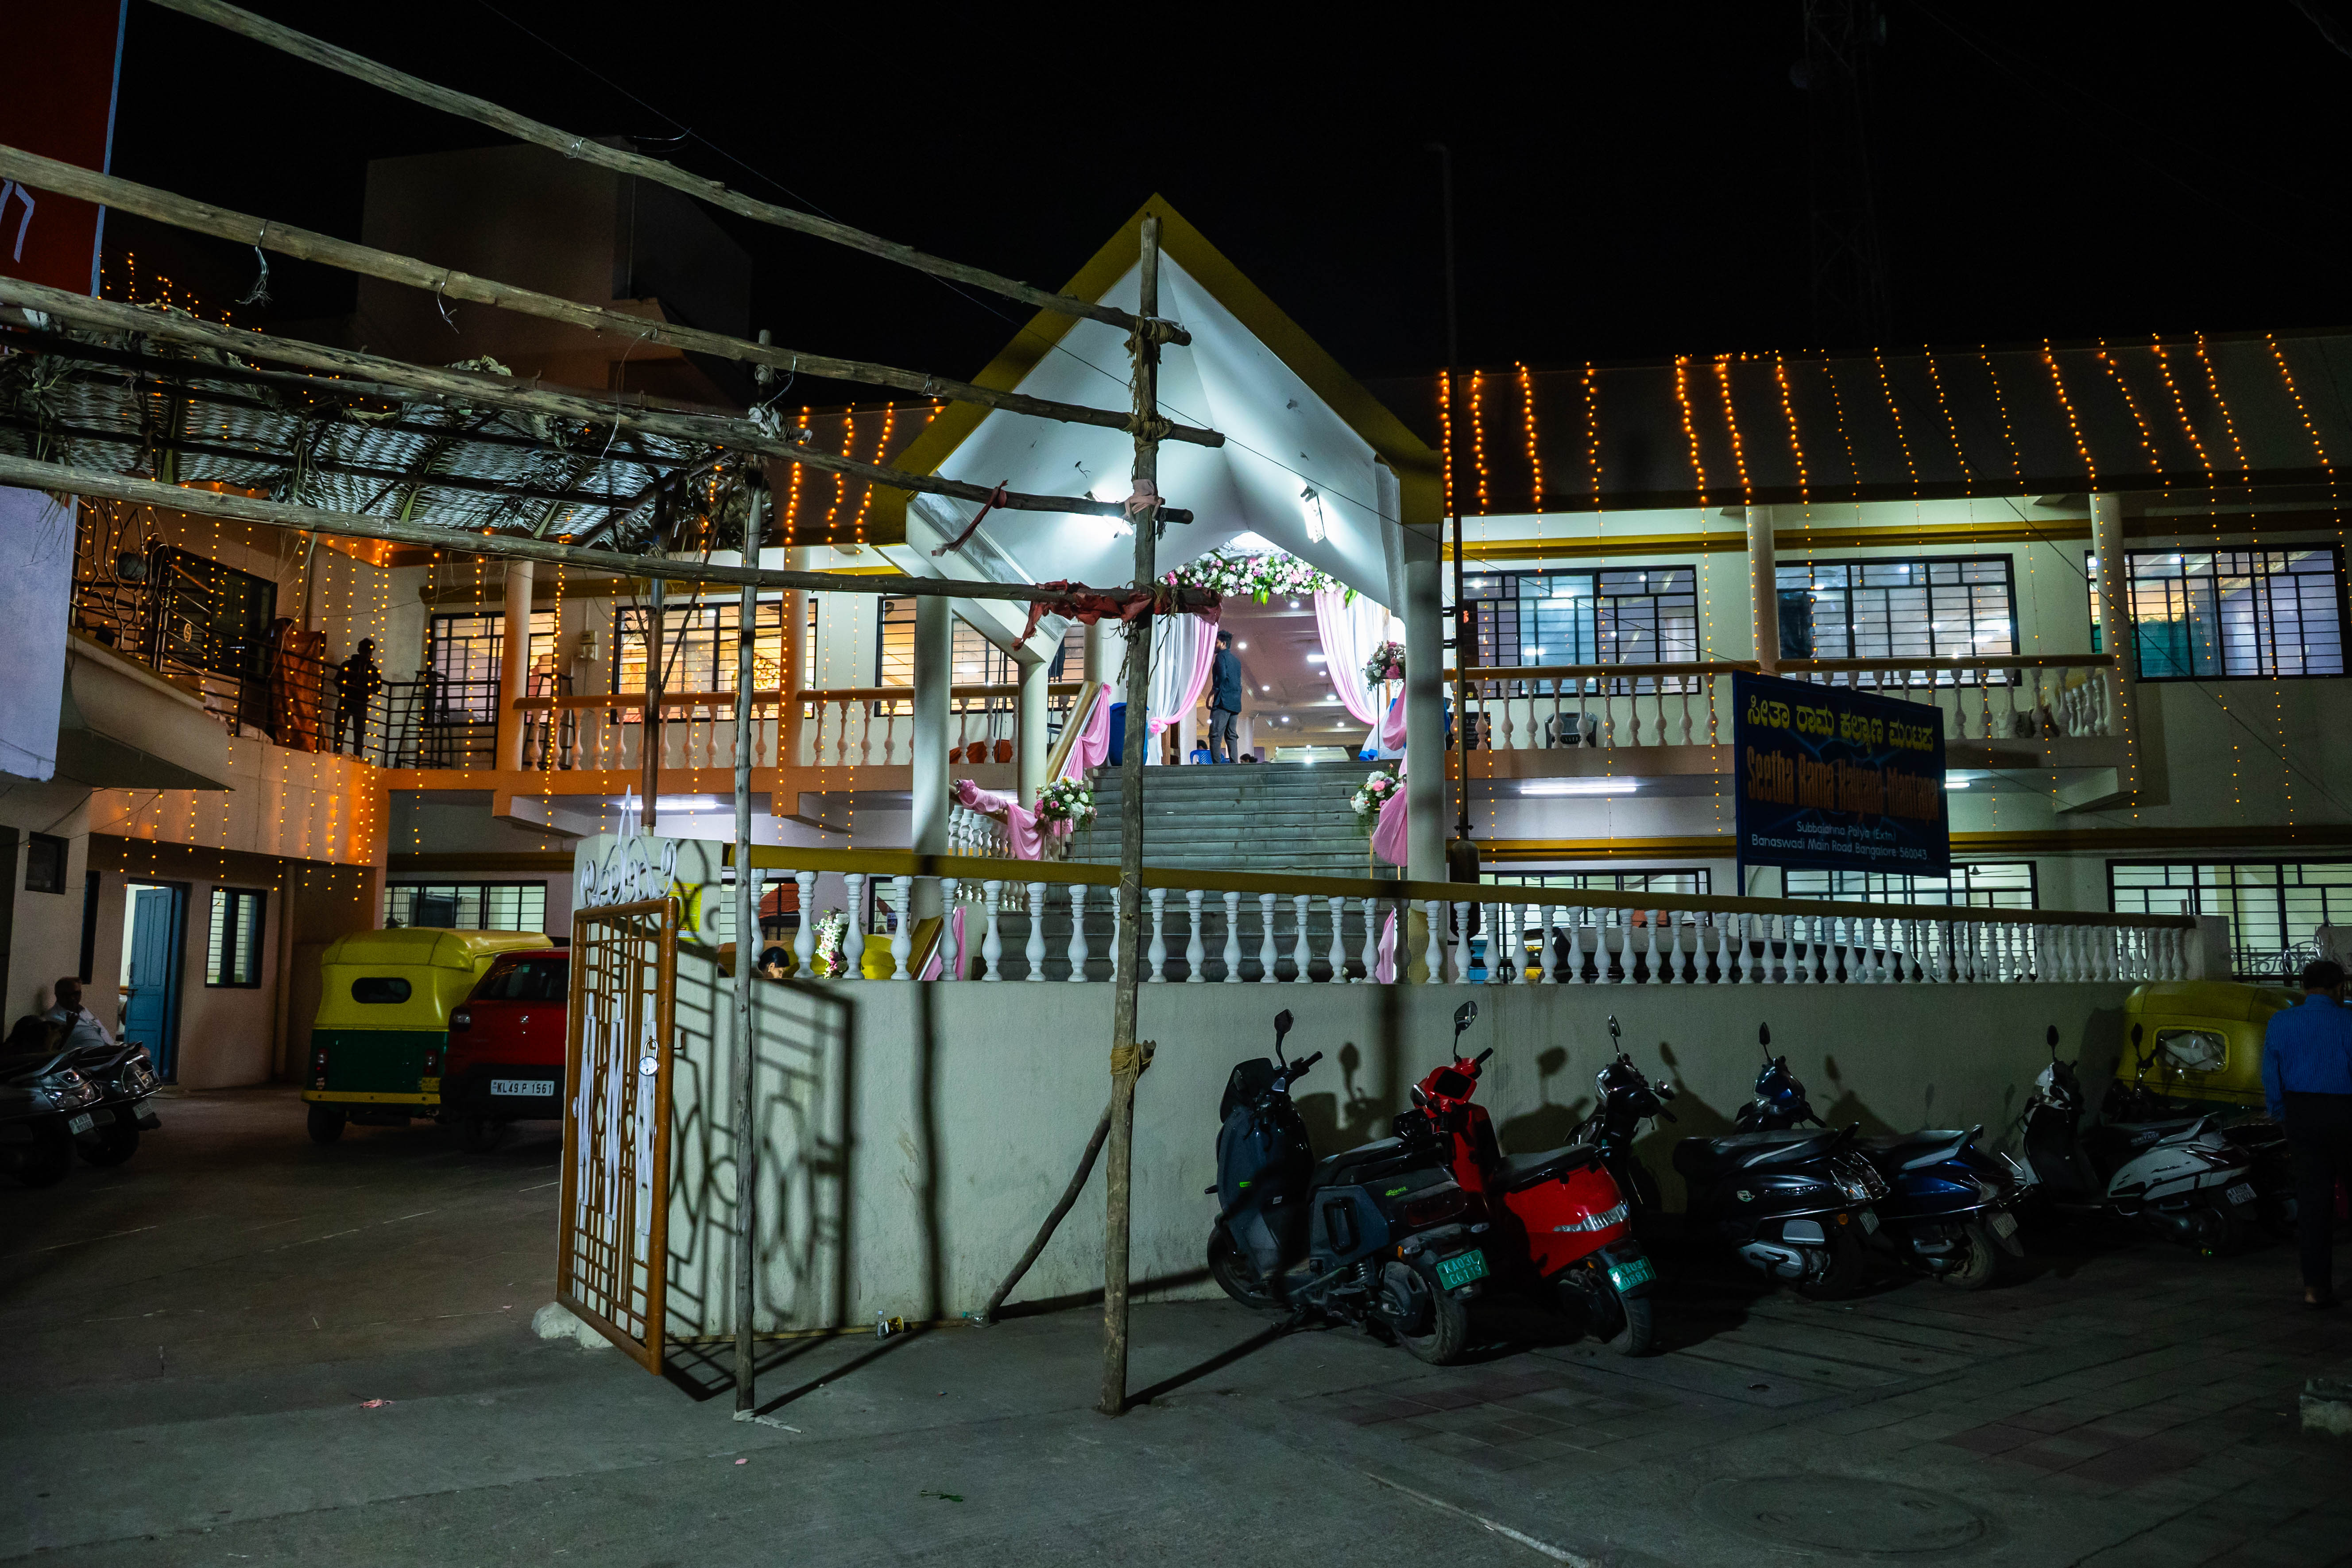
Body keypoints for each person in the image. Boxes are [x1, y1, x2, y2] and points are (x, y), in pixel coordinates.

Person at [2261, 957, 2352, 1307]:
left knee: (2313, 1204)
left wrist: (2281, 1113)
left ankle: (2315, 1288)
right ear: (2340, 987)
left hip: (2301, 1114)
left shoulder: (2280, 1022)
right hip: (2346, 1113)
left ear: (2303, 987)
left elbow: (2271, 1074)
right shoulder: (2348, 1020)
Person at [336, 639, 383, 757]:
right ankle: (353, 756)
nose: (367, 655)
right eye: (366, 651)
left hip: (354, 702)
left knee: (353, 733)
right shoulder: (372, 670)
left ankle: (342, 754)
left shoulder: (349, 665)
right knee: (348, 732)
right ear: (360, 651)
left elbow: (378, 688)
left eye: (369, 652)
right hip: (351, 701)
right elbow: (338, 681)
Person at [43, 977, 116, 1053]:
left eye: (76, 994)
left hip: (110, 1051)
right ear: (57, 995)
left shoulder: (84, 1010)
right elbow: (55, 1050)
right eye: (66, 995)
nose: (72, 998)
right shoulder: (52, 1017)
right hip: (87, 1056)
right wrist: (69, 1028)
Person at [1207, 629, 1243, 764]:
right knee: (1231, 735)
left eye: (1216, 643)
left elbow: (1222, 676)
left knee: (1215, 735)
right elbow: (1239, 683)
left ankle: (1217, 768)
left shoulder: (1221, 657)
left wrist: (1212, 693)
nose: (1214, 645)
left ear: (1223, 644)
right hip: (1235, 703)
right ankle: (1235, 765)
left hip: (1223, 701)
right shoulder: (1237, 661)